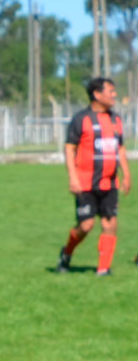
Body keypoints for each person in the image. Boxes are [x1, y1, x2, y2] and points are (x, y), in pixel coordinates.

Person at [56, 76, 129, 275]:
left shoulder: (115, 119)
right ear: (97, 94)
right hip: (85, 183)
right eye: (110, 91)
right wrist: (72, 177)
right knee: (86, 226)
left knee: (110, 223)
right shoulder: (81, 119)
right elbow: (70, 149)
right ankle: (67, 252)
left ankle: (103, 268)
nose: (114, 95)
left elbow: (120, 148)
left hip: (109, 182)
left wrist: (126, 174)